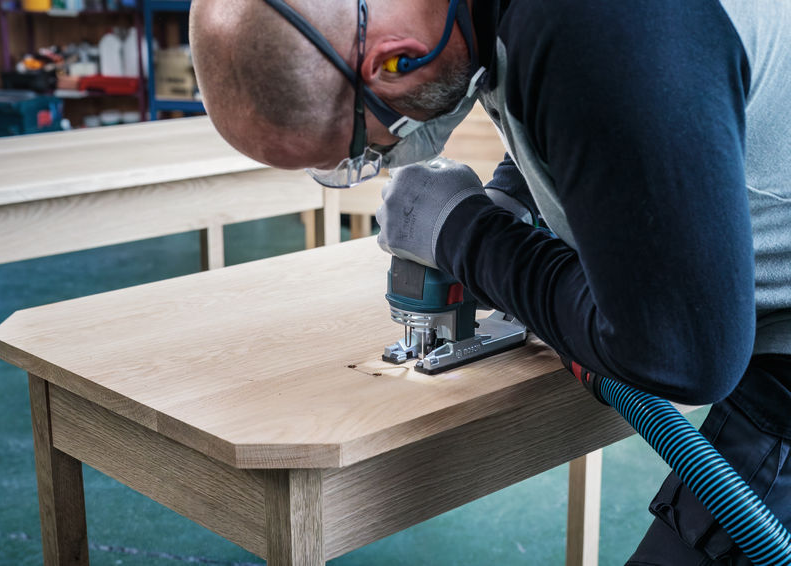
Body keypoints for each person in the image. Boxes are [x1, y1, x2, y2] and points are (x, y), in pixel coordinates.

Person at [190, 0, 791, 563]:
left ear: (394, 61)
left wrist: (468, 235)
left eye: (368, 146)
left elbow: (682, 353)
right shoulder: (481, 18)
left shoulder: (600, 26)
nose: (385, 155)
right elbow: (595, 117)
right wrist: (512, 197)